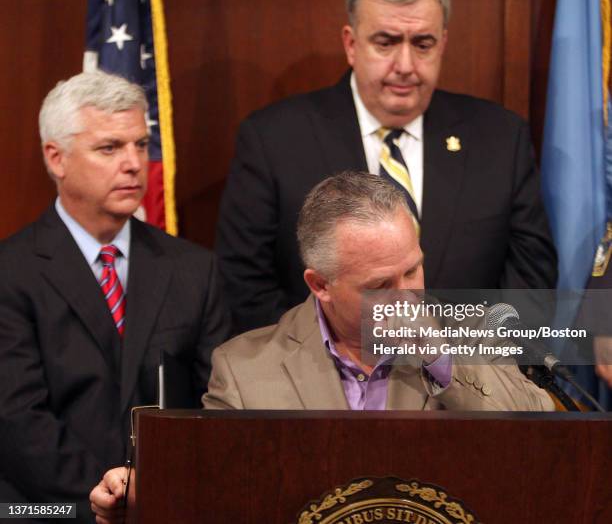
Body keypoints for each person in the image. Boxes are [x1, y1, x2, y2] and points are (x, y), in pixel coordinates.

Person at [89, 172, 554, 523]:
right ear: (320, 284)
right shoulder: (245, 370)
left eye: (412, 271)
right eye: (380, 284)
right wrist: (139, 500)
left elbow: (545, 444)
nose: (407, 294)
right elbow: (218, 498)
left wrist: (440, 356)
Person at [216, 0, 557, 332]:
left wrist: (464, 371)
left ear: (442, 44)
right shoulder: (274, 140)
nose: (405, 64)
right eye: (386, 42)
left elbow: (531, 282)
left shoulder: (499, 137)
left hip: (468, 378)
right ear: (351, 43)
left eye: (422, 44)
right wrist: (334, 370)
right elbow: (245, 284)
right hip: (316, 382)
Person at [0, 71, 230, 522]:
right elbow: (17, 419)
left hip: (171, 504)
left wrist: (156, 490)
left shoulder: (192, 268)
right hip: (48, 509)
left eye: (140, 145)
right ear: (56, 158)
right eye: (110, 148)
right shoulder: (12, 271)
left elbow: (216, 402)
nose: (134, 163)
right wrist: (110, 496)